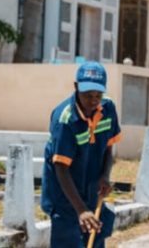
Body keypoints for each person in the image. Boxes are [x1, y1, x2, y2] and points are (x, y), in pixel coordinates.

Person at [41, 61, 122, 247]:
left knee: (95, 240)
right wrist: (81, 210)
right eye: (88, 95)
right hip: (64, 196)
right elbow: (61, 168)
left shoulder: (108, 109)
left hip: (91, 188)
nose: (93, 101)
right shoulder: (65, 119)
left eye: (98, 95)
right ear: (76, 87)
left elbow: (108, 146)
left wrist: (104, 175)